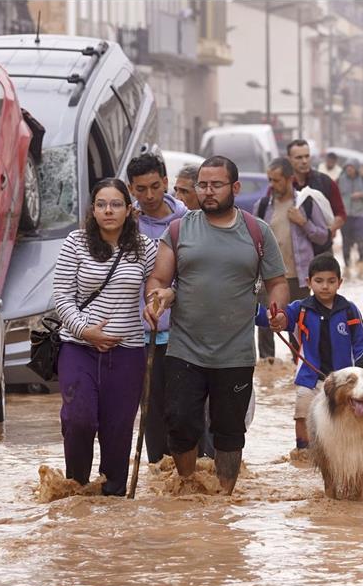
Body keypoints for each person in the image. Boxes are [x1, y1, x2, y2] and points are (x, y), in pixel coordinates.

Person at [144, 155, 290, 495]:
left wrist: (277, 310)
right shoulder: (179, 230)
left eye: (216, 185)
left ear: (234, 188)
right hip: (185, 349)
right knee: (180, 424)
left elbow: (277, 281)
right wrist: (159, 297)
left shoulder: (257, 231)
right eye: (203, 185)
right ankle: (187, 486)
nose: (208, 192)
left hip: (235, 353)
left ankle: (224, 498)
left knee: (229, 431)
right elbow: (159, 279)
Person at [54, 178, 157, 496]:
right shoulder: (76, 242)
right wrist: (85, 331)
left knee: (118, 429)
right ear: (93, 209)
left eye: (115, 204)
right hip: (78, 347)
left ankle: (112, 494)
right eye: (101, 204)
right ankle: (77, 487)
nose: (108, 210)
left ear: (129, 209)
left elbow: (158, 286)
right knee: (80, 418)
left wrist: (154, 304)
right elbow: (61, 297)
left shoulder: (145, 247)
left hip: (127, 353)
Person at [271, 254, 363, 455]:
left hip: (344, 383)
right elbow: (282, 319)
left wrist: (361, 370)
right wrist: (274, 318)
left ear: (340, 283)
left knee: (348, 418)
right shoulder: (300, 309)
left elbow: (362, 343)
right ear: (308, 282)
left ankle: (345, 454)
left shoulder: (350, 310)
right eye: (319, 281)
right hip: (310, 378)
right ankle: (303, 453)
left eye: (331, 281)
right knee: (302, 415)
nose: (325, 286)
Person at [127, 153, 186, 465]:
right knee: (150, 412)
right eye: (140, 189)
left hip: (183, 335)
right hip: (139, 336)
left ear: (166, 182)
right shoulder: (125, 225)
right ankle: (158, 475)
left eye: (154, 186)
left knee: (183, 410)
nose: (149, 196)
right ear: (131, 189)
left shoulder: (187, 221)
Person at [255, 157, 326, 361]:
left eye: (276, 180)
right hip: (268, 277)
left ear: (290, 179)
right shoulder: (261, 206)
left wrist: (303, 222)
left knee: (298, 326)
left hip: (299, 276)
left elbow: (323, 235)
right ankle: (268, 369)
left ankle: (299, 367)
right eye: (269, 180)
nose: (272, 185)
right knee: (266, 325)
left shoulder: (306, 203)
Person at [287, 139, 345, 237]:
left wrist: (328, 232)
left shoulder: (325, 182)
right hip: (293, 247)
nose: (304, 161)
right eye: (299, 157)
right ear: (289, 159)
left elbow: (340, 214)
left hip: (321, 249)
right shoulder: (283, 185)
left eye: (307, 156)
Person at [336, 158, 363, 265]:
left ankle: (362, 263)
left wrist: (361, 194)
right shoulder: (341, 179)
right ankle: (347, 264)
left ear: (356, 168)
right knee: (346, 241)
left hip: (360, 214)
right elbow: (335, 195)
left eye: (351, 167)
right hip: (345, 215)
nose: (349, 169)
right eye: (347, 167)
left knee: (361, 239)